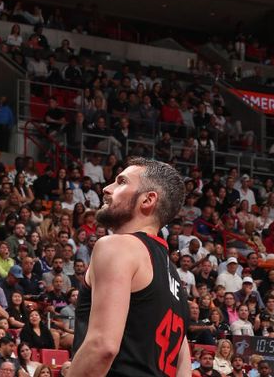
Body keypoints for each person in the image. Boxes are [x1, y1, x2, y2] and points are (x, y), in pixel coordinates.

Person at [65, 158, 190, 377]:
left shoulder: (118, 246)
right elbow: (183, 367)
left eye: (121, 182)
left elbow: (102, 347)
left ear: (148, 200)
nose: (106, 188)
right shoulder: (174, 276)